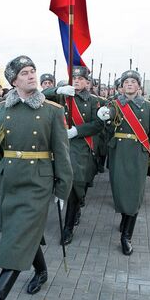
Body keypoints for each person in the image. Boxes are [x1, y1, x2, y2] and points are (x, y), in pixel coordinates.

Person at [0, 55, 73, 300]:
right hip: (11, 180)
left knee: (18, 237)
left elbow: (62, 154)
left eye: (33, 71)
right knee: (23, 234)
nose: (31, 76)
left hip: (38, 183)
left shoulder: (52, 110)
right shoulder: (0, 110)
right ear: (13, 80)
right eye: (25, 73)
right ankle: (41, 271)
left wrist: (62, 189)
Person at [96, 70, 150, 256]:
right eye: (126, 82)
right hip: (119, 154)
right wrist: (104, 117)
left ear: (139, 86)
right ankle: (125, 220)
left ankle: (126, 236)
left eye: (133, 81)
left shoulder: (148, 106)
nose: (130, 84)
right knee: (121, 192)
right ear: (122, 86)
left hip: (138, 156)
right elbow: (107, 127)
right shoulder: (114, 104)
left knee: (134, 195)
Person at [42, 66, 104, 245]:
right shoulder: (63, 96)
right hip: (59, 145)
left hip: (80, 147)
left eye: (80, 79)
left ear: (87, 82)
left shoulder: (93, 101)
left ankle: (68, 227)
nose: (76, 81)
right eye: (74, 78)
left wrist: (77, 130)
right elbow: (41, 94)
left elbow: (98, 124)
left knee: (75, 186)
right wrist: (58, 89)